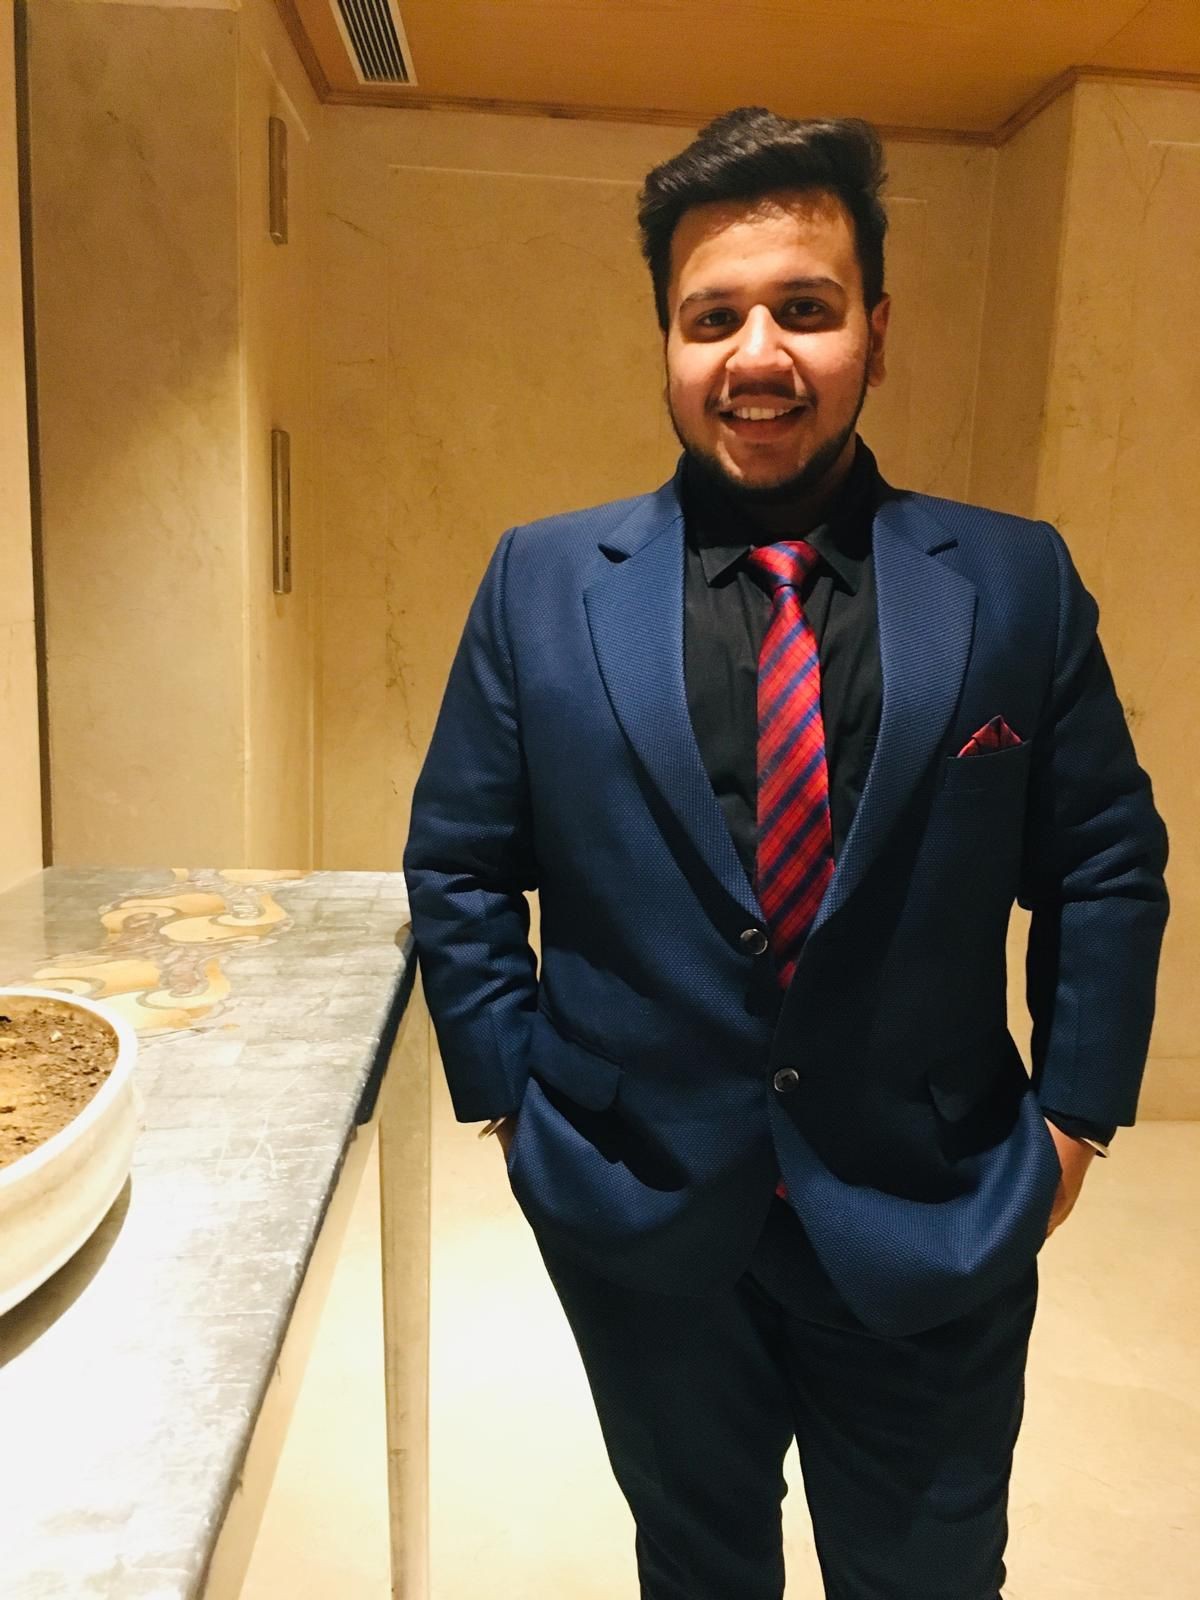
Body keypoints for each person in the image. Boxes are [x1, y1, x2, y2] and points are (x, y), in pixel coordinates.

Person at [403, 107, 1168, 1600]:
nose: (757, 355)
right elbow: (461, 862)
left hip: (933, 1202)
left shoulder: (1013, 579)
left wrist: (1075, 1120)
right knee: (696, 1563)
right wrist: (516, 1113)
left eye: (804, 310)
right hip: (635, 1202)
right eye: (712, 318)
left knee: (932, 1570)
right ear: (667, 342)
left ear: (876, 329)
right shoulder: (543, 580)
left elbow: (1103, 865)